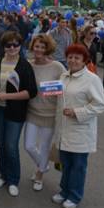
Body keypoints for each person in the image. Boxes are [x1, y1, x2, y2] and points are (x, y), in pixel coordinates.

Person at [52, 44, 104, 208]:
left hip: (80, 130)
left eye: (77, 58)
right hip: (63, 128)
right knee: (66, 163)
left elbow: (100, 105)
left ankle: (74, 195)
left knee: (78, 166)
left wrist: (77, 112)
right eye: (70, 57)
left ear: (84, 60)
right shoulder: (63, 76)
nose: (73, 60)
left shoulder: (91, 79)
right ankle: (64, 190)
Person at [0, 31, 37, 197]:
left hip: (15, 111)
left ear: (20, 46)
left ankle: (14, 180)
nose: (12, 48)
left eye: (15, 44)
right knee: (1, 144)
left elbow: (30, 92)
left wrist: (7, 96)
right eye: (8, 45)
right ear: (3, 46)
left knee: (10, 146)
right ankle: (4, 175)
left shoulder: (25, 65)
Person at [24, 34, 66, 191]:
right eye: (36, 46)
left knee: (44, 147)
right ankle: (43, 165)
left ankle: (40, 173)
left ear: (47, 48)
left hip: (50, 113)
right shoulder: (28, 65)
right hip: (32, 112)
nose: (39, 50)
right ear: (32, 47)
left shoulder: (57, 67)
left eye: (42, 47)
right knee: (28, 146)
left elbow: (65, 86)